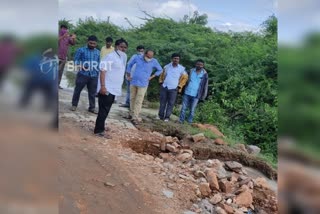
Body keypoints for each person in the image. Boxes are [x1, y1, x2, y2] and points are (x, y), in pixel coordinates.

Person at [94, 38, 128, 137]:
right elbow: (103, 71)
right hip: (107, 87)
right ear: (116, 46)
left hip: (114, 88)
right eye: (121, 47)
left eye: (125, 47)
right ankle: (99, 131)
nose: (123, 49)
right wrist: (103, 87)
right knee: (103, 109)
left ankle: (101, 127)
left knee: (106, 109)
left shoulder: (123, 57)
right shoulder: (110, 57)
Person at [126, 50, 162, 124]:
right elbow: (129, 64)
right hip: (134, 81)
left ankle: (135, 117)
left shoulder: (154, 61)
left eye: (151, 56)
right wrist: (128, 74)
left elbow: (160, 70)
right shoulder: (137, 58)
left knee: (139, 100)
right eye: (148, 56)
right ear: (145, 54)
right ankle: (131, 113)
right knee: (132, 98)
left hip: (143, 83)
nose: (149, 58)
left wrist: (152, 76)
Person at [71, 35, 100, 114]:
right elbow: (76, 60)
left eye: (94, 44)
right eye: (90, 43)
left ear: (96, 44)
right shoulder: (81, 50)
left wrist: (98, 72)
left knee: (92, 93)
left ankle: (92, 107)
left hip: (93, 75)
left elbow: (99, 63)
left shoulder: (98, 52)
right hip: (82, 74)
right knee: (77, 90)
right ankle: (74, 105)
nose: (92, 45)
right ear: (87, 42)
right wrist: (81, 66)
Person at [158, 53, 188, 121]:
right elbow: (161, 75)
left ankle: (167, 117)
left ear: (179, 60)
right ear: (172, 59)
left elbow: (185, 78)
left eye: (177, 59)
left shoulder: (182, 69)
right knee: (162, 102)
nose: (176, 60)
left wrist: (179, 86)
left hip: (174, 88)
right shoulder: (166, 67)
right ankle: (160, 116)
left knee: (171, 103)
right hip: (165, 87)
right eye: (174, 58)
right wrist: (161, 83)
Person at [179, 59, 208, 124]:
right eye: (198, 64)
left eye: (201, 65)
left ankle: (189, 122)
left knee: (192, 110)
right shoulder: (191, 71)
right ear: (195, 64)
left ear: (203, 66)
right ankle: (181, 121)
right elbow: (184, 80)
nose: (199, 66)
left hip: (196, 95)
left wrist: (204, 95)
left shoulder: (205, 74)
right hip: (187, 92)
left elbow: (205, 86)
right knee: (183, 108)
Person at [58, 24, 76, 89]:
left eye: (65, 29)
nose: (64, 30)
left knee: (60, 71)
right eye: (63, 29)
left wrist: (74, 38)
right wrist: (63, 36)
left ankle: (57, 84)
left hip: (63, 57)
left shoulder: (67, 37)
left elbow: (73, 43)